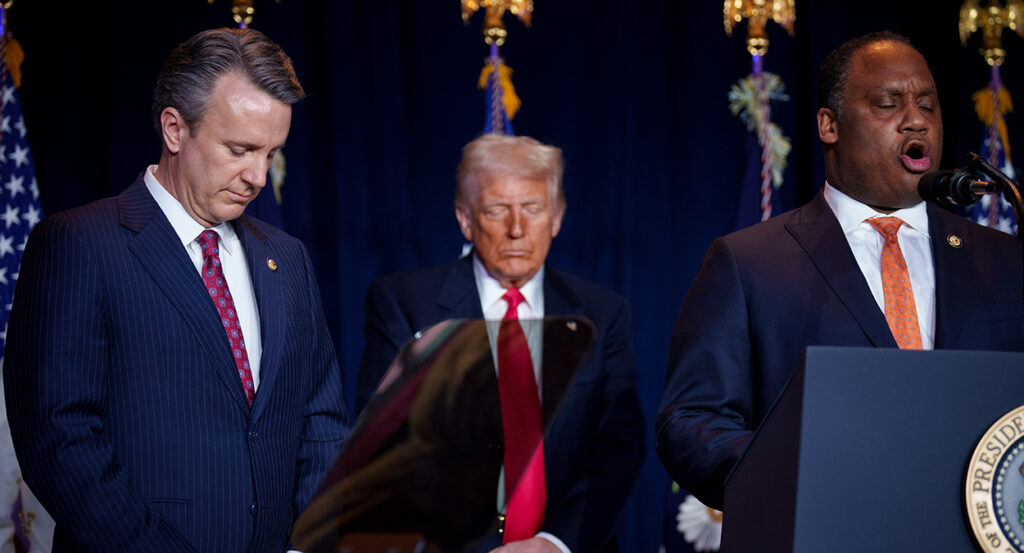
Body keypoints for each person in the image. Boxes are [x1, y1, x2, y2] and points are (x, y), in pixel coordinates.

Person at [3, 28, 349, 553]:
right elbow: (59, 439)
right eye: (240, 149)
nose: (258, 175)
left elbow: (320, 420)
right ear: (174, 128)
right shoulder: (79, 243)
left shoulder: (288, 258)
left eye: (272, 152)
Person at [656, 31, 1024, 510]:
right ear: (829, 125)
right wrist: (805, 470)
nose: (916, 120)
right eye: (889, 103)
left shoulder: (1002, 259)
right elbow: (690, 424)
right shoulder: (749, 263)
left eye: (928, 106)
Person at [356, 133, 646, 553]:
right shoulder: (404, 304)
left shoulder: (603, 313)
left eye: (533, 209)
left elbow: (619, 446)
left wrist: (554, 543)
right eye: (496, 210)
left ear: (557, 217)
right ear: (465, 219)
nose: (516, 229)